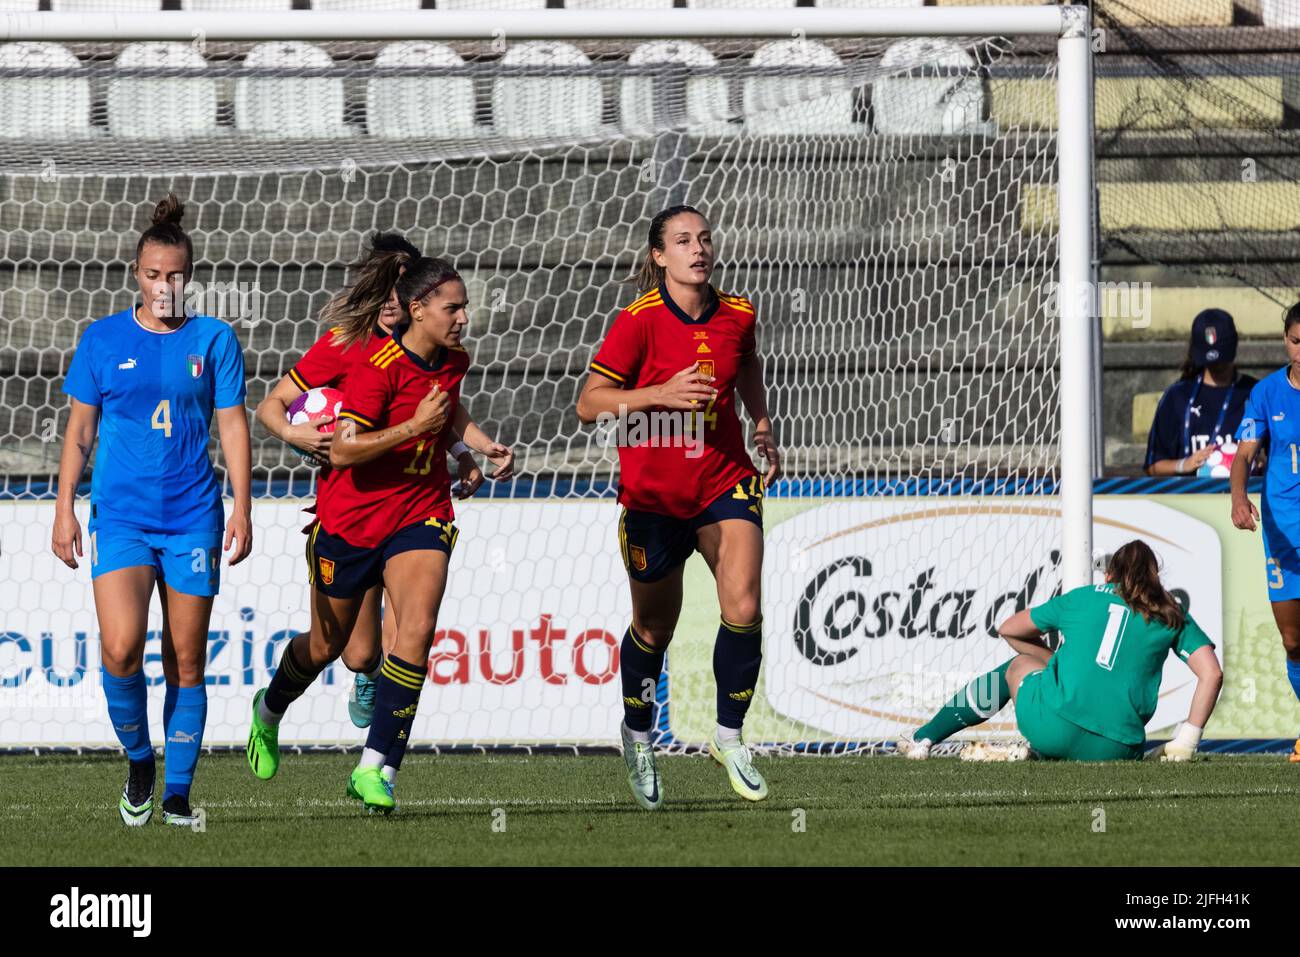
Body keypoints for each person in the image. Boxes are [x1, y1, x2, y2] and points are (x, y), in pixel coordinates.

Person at [246, 256, 514, 813]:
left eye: (464, 306)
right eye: (453, 307)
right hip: (352, 521)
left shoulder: (455, 358)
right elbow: (342, 449)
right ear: (418, 309)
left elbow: (447, 407)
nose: (464, 317)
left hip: (422, 511)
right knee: (330, 647)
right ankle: (268, 711)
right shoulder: (372, 365)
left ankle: (376, 769)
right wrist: (414, 427)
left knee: (415, 630)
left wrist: (477, 447)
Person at [51, 193, 252, 826]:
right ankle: (140, 758)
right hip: (121, 518)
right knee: (120, 649)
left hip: (194, 516)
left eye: (176, 275)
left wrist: (242, 507)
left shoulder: (214, 338)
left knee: (187, 660)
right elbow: (79, 431)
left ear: (191, 276)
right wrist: (63, 508)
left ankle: (177, 794)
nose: (165, 285)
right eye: (154, 274)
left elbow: (234, 427)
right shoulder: (103, 339)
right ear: (136, 275)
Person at [576, 205, 780, 810]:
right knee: (653, 627)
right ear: (659, 257)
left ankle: (728, 737)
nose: (699, 249)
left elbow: (746, 366)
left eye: (705, 238)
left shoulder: (738, 313)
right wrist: (660, 394)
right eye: (683, 241)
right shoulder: (637, 323)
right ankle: (638, 735)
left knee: (743, 605)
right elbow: (589, 404)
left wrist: (762, 422)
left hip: (724, 481)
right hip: (654, 498)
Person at [895, 540, 1223, 762]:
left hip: (1051, 728)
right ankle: (1036, 755)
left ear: (1109, 575)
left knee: (1018, 665)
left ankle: (924, 739)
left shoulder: (1083, 596)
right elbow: (1212, 673)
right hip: (1117, 749)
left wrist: (1053, 664)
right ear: (1156, 577)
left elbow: (1008, 628)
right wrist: (1186, 743)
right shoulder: (1171, 611)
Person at [1230, 300, 1300, 762]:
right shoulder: (1267, 393)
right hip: (1281, 532)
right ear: (1285, 340)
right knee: (1294, 641)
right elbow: (1244, 454)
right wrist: (1238, 496)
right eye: (1296, 341)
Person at [1145, 308, 1256, 477]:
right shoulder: (1177, 397)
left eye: (1221, 358)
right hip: (1193, 497)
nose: (1217, 365)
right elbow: (1153, 465)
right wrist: (1184, 464)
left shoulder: (1256, 393)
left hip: (1246, 497)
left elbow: (1284, 457)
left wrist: (1261, 461)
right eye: (1210, 360)